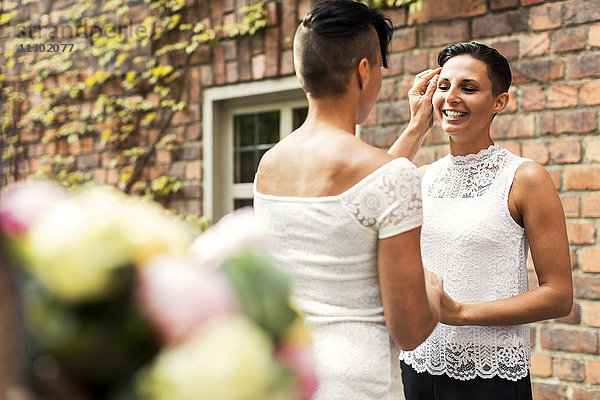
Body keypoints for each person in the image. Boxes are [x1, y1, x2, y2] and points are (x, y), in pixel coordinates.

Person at [253, 0, 442, 398]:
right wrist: (434, 290)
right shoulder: (392, 176)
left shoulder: (269, 165)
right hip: (359, 383)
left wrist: (414, 127)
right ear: (364, 70)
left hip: (288, 375)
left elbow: (360, 193)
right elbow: (408, 330)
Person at [395, 42, 573, 400]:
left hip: (490, 377)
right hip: (417, 367)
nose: (451, 97)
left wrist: (459, 313)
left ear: (499, 102)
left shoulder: (525, 177)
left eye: (469, 88)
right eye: (443, 86)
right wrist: (417, 123)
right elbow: (367, 198)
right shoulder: (422, 176)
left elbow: (558, 296)